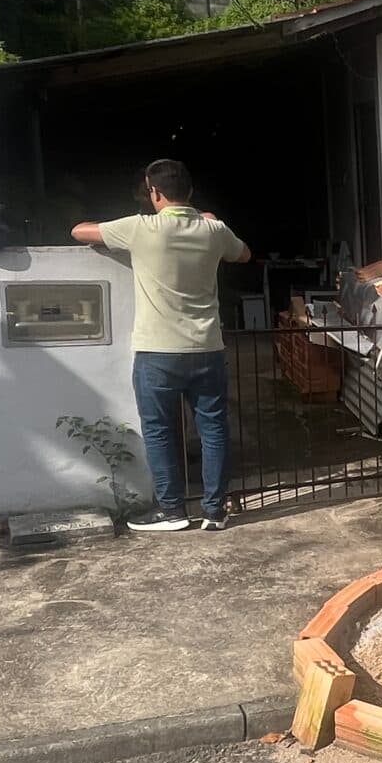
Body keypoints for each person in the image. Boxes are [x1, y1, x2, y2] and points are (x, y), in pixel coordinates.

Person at [75, 159, 249, 533]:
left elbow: (79, 231)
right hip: (207, 348)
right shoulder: (214, 230)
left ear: (154, 192)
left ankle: (172, 512)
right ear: (191, 191)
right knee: (213, 429)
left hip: (158, 353)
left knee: (160, 431)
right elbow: (244, 254)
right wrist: (212, 220)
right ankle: (214, 512)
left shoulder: (140, 228)